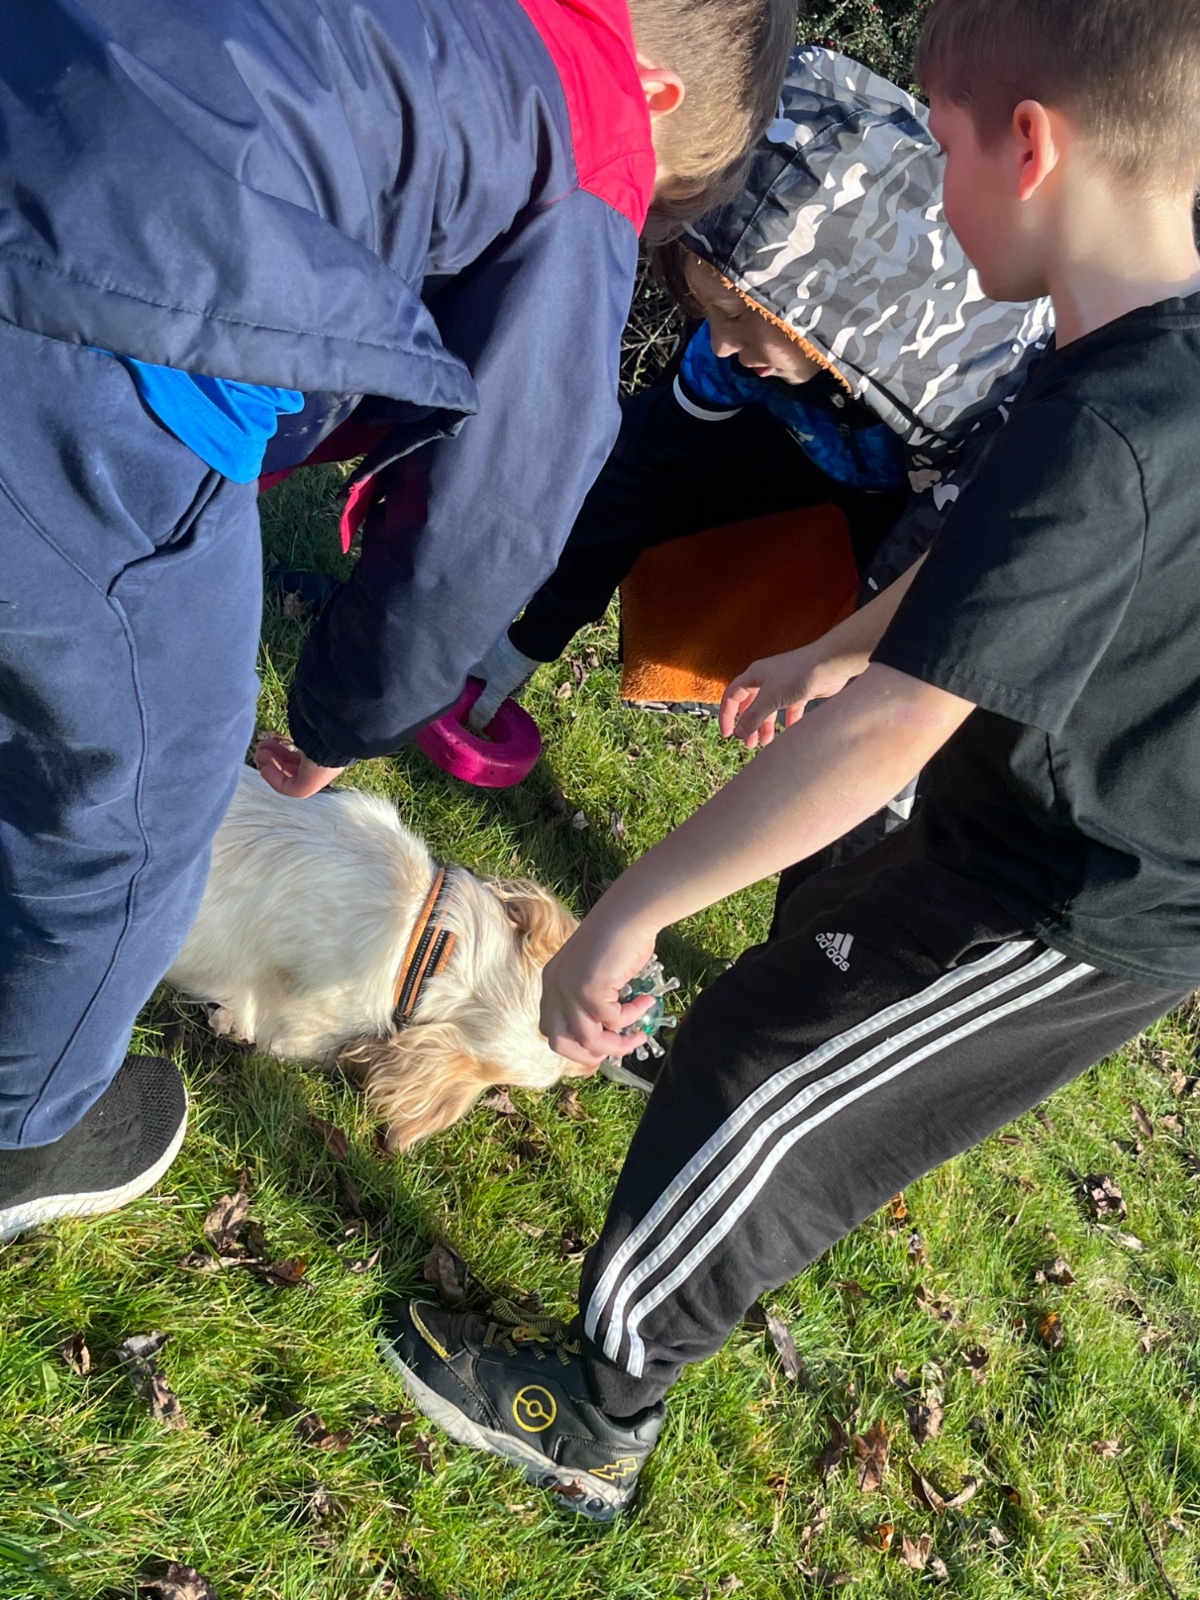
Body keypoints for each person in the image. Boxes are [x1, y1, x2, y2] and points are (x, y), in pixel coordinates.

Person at [380, 0, 1200, 1521]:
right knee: (774, 1009)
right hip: (1020, 818)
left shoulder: (1124, 414)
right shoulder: (1129, 358)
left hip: (1078, 899)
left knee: (761, 1082)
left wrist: (629, 913)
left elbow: (892, 733)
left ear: (1031, 147)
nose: (932, 197)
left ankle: (597, 1415)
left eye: (940, 147)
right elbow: (991, 551)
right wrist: (844, 643)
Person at [0, 0, 796, 1243]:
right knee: (152, 781)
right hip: (111, 348)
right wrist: (334, 723)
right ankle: (31, 1123)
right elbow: (490, 520)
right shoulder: (592, 145)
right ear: (656, 95)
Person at [466, 44, 1052, 735]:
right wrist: (529, 641)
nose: (720, 342)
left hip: (893, 530)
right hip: (784, 483)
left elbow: (931, 613)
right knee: (633, 456)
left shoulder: (965, 404)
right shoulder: (735, 354)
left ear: (833, 309)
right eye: (709, 313)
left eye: (739, 317)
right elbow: (638, 478)